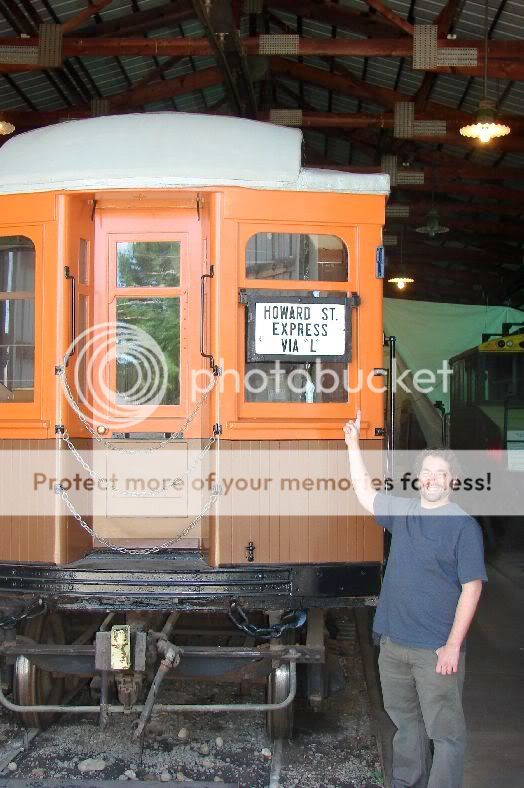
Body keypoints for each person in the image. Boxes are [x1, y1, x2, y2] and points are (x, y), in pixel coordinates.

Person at [344, 411, 487, 788]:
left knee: (445, 732)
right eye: (427, 472)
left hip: (436, 650)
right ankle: (408, 782)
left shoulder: (463, 527)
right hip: (394, 645)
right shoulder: (404, 512)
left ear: (452, 481)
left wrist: (453, 647)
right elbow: (363, 492)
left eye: (441, 474)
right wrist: (353, 444)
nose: (432, 479)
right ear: (418, 477)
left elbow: (472, 588)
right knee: (406, 725)